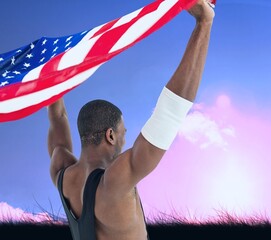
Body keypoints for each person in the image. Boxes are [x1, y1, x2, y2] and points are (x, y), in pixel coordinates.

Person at [46, 1, 214, 239]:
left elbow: (57, 117)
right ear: (110, 135)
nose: (125, 139)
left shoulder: (61, 173)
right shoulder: (114, 182)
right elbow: (169, 113)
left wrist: (49, 75)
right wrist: (204, 23)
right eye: (123, 133)